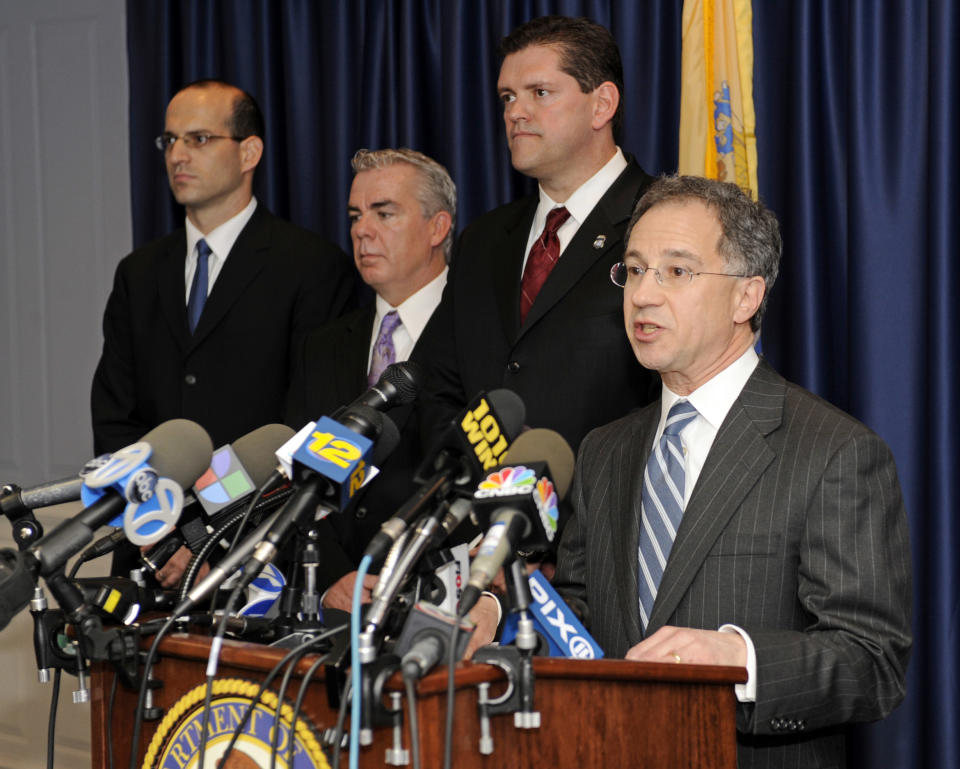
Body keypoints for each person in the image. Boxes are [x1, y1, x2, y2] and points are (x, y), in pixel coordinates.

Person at [552, 175, 912, 768]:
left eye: (677, 271)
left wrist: (740, 659)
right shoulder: (604, 450)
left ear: (746, 296)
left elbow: (873, 662)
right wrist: (498, 610)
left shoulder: (834, 450)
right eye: (635, 270)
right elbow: (579, 618)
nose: (643, 295)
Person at [92, 79, 354, 584]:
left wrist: (202, 532)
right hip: (148, 553)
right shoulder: (139, 272)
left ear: (249, 151)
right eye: (170, 141)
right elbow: (115, 419)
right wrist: (161, 530)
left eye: (200, 139)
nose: (178, 156)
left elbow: (302, 427)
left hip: (254, 556)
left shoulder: (311, 267)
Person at [416, 15, 658, 467]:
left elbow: (675, 398)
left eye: (539, 93)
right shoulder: (483, 239)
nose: (514, 112)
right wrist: (482, 485)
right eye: (507, 96)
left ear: (602, 104)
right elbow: (438, 388)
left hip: (608, 525)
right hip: (485, 521)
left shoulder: (664, 222)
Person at [285, 147, 454, 611]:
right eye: (356, 215)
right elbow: (297, 482)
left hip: (437, 602)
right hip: (334, 606)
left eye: (385, 213)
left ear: (437, 227)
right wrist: (335, 577)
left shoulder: (476, 334)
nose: (362, 229)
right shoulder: (323, 345)